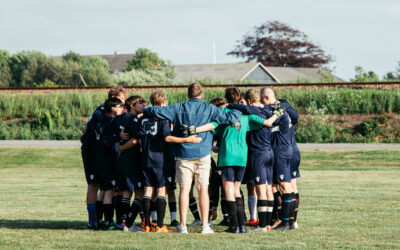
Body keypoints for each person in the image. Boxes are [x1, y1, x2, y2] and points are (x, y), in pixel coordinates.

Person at [143, 82, 241, 234]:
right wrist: (239, 109)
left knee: (184, 189)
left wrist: (147, 110)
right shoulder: (210, 108)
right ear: (202, 94)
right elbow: (230, 119)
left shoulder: (179, 107)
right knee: (203, 190)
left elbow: (152, 110)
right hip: (203, 153)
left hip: (183, 154)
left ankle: (182, 225)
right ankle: (205, 226)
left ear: (188, 95)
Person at [212, 87, 282, 233]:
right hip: (243, 155)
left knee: (228, 190)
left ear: (226, 99)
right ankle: (242, 226)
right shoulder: (246, 115)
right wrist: (275, 113)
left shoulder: (222, 113)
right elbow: (265, 123)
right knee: (237, 189)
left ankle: (234, 226)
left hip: (228, 155)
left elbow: (213, 129)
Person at [137, 91, 203, 233]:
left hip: (145, 158)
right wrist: (187, 139)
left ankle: (148, 225)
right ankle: (160, 226)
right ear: (162, 103)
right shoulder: (163, 119)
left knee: (148, 190)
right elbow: (167, 138)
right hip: (160, 158)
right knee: (161, 190)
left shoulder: (143, 118)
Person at [81, 86, 127, 229]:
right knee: (94, 185)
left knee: (108, 187)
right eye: (121, 99)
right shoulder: (101, 111)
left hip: (106, 153)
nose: (123, 102)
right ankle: (93, 220)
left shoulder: (116, 112)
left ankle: (106, 220)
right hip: (92, 153)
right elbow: (98, 127)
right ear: (113, 98)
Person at [260, 87, 295, 231]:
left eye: (261, 99)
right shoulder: (278, 108)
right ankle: (285, 220)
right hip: (280, 151)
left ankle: (287, 222)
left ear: (267, 98)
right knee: (275, 186)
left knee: (284, 186)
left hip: (281, 151)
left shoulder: (277, 110)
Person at [94, 97, 125, 230]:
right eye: (119, 106)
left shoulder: (99, 120)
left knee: (103, 191)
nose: (122, 108)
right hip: (108, 161)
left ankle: (99, 221)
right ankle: (107, 222)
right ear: (113, 108)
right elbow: (105, 140)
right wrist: (119, 137)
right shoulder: (109, 121)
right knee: (109, 191)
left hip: (100, 160)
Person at [279, 98, 301, 229]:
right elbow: (296, 118)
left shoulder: (277, 111)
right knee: (293, 185)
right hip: (294, 150)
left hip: (285, 151)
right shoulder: (288, 109)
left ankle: (285, 220)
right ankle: (293, 221)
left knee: (282, 186)